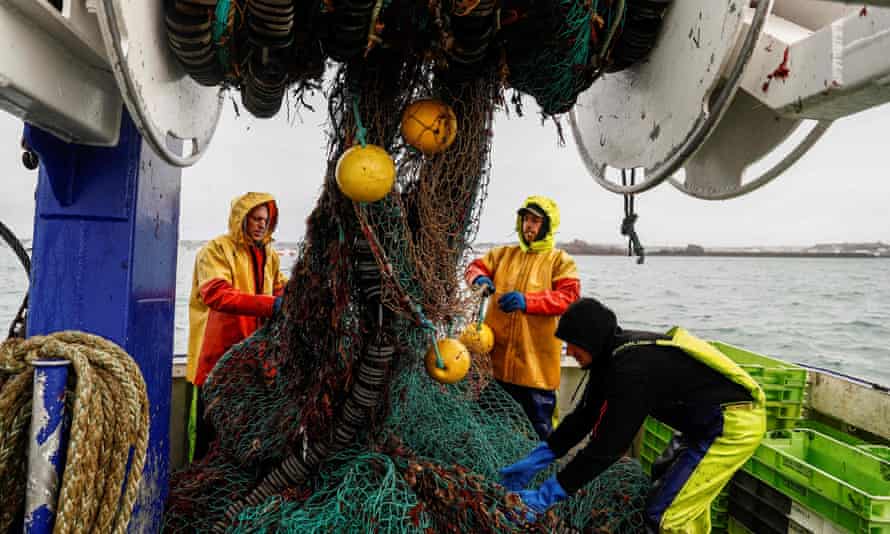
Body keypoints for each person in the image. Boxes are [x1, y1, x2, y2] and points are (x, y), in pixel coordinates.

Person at [498, 298, 766, 532]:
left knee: (665, 515)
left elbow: (608, 447)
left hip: (731, 424)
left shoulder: (632, 370)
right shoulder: (611, 357)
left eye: (571, 344)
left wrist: (549, 494)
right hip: (701, 424)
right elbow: (583, 417)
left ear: (589, 340)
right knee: (668, 484)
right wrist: (538, 458)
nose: (568, 352)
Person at [465, 195, 580, 439]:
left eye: (536, 221)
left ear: (548, 225)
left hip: (535, 369)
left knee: (539, 430)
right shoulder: (502, 254)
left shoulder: (560, 261)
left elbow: (570, 298)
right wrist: (479, 279)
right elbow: (474, 268)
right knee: (483, 425)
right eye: (526, 219)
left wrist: (528, 302)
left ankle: (542, 471)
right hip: (494, 365)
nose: (529, 225)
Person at [185, 192, 288, 461]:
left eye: (265, 220)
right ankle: (199, 476)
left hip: (254, 360)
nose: (261, 224)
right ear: (240, 219)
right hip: (214, 360)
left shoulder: (270, 255)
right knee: (208, 431)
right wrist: (271, 306)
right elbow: (216, 294)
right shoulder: (216, 250)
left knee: (243, 432)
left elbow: (280, 289)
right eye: (255, 219)